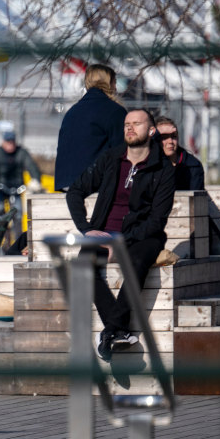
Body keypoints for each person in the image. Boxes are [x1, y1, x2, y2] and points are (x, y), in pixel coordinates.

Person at [66, 108, 175, 361]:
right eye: (127, 124)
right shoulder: (111, 158)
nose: (129, 127)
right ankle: (117, 331)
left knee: (137, 261)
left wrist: (122, 241)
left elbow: (157, 220)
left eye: (136, 123)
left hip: (143, 236)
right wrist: (86, 228)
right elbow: (75, 191)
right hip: (103, 233)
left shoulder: (163, 169)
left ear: (151, 131)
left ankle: (110, 331)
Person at [54, 63, 127, 191]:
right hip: (94, 184)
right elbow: (122, 150)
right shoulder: (114, 111)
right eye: (114, 83)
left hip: (66, 182)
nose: (116, 88)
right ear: (108, 83)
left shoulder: (73, 111)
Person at [0, 130, 42, 216]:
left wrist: (35, 179)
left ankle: (17, 224)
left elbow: (31, 166)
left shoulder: (21, 152)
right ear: (3, 142)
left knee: (18, 211)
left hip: (17, 188)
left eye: (12, 141)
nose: (10, 144)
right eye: (8, 142)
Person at [154, 115, 205, 191]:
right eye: (164, 137)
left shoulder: (192, 165)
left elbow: (195, 195)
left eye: (174, 136)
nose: (170, 141)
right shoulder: (148, 164)